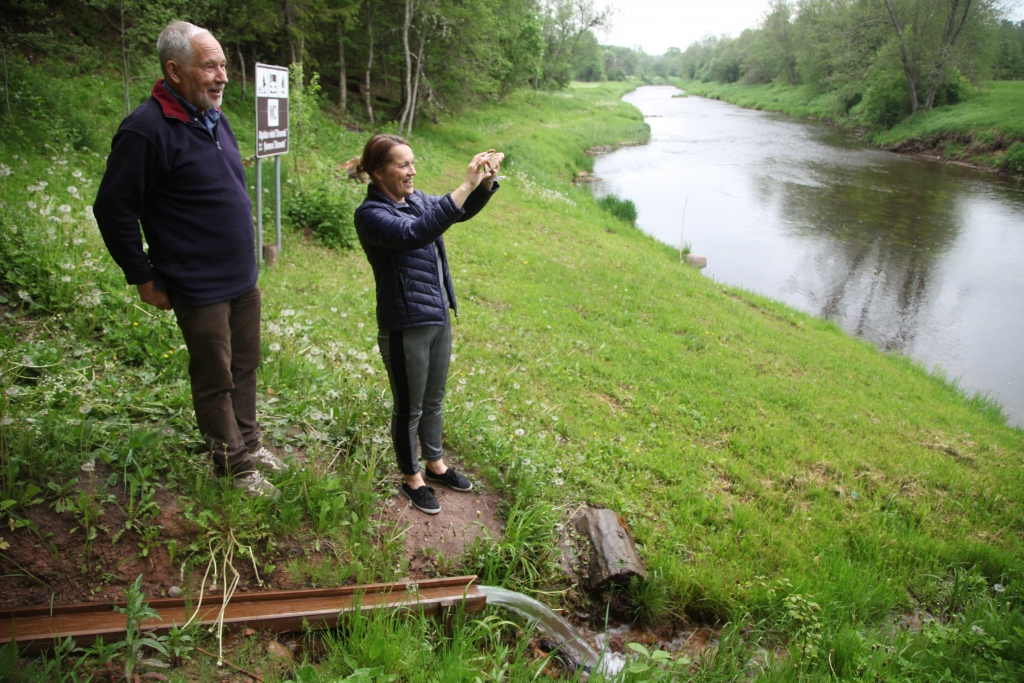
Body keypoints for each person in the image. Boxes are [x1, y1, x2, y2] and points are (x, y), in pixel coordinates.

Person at [93, 21, 286, 498]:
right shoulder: (146, 130)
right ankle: (234, 466)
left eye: (224, 64)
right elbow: (113, 208)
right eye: (210, 66)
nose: (222, 76)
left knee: (245, 365)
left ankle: (250, 442)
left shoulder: (214, 117)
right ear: (174, 71)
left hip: (242, 278)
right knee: (214, 375)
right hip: (198, 285)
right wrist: (140, 274)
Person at [354, 134, 503, 514]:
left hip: (436, 315)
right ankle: (412, 478)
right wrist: (465, 182)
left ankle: (435, 464)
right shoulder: (371, 214)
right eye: (403, 164)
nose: (412, 170)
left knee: (433, 399)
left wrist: (484, 182)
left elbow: (457, 211)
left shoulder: (417, 199)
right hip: (405, 323)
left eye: (412, 162)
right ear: (378, 172)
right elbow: (414, 234)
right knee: (409, 406)